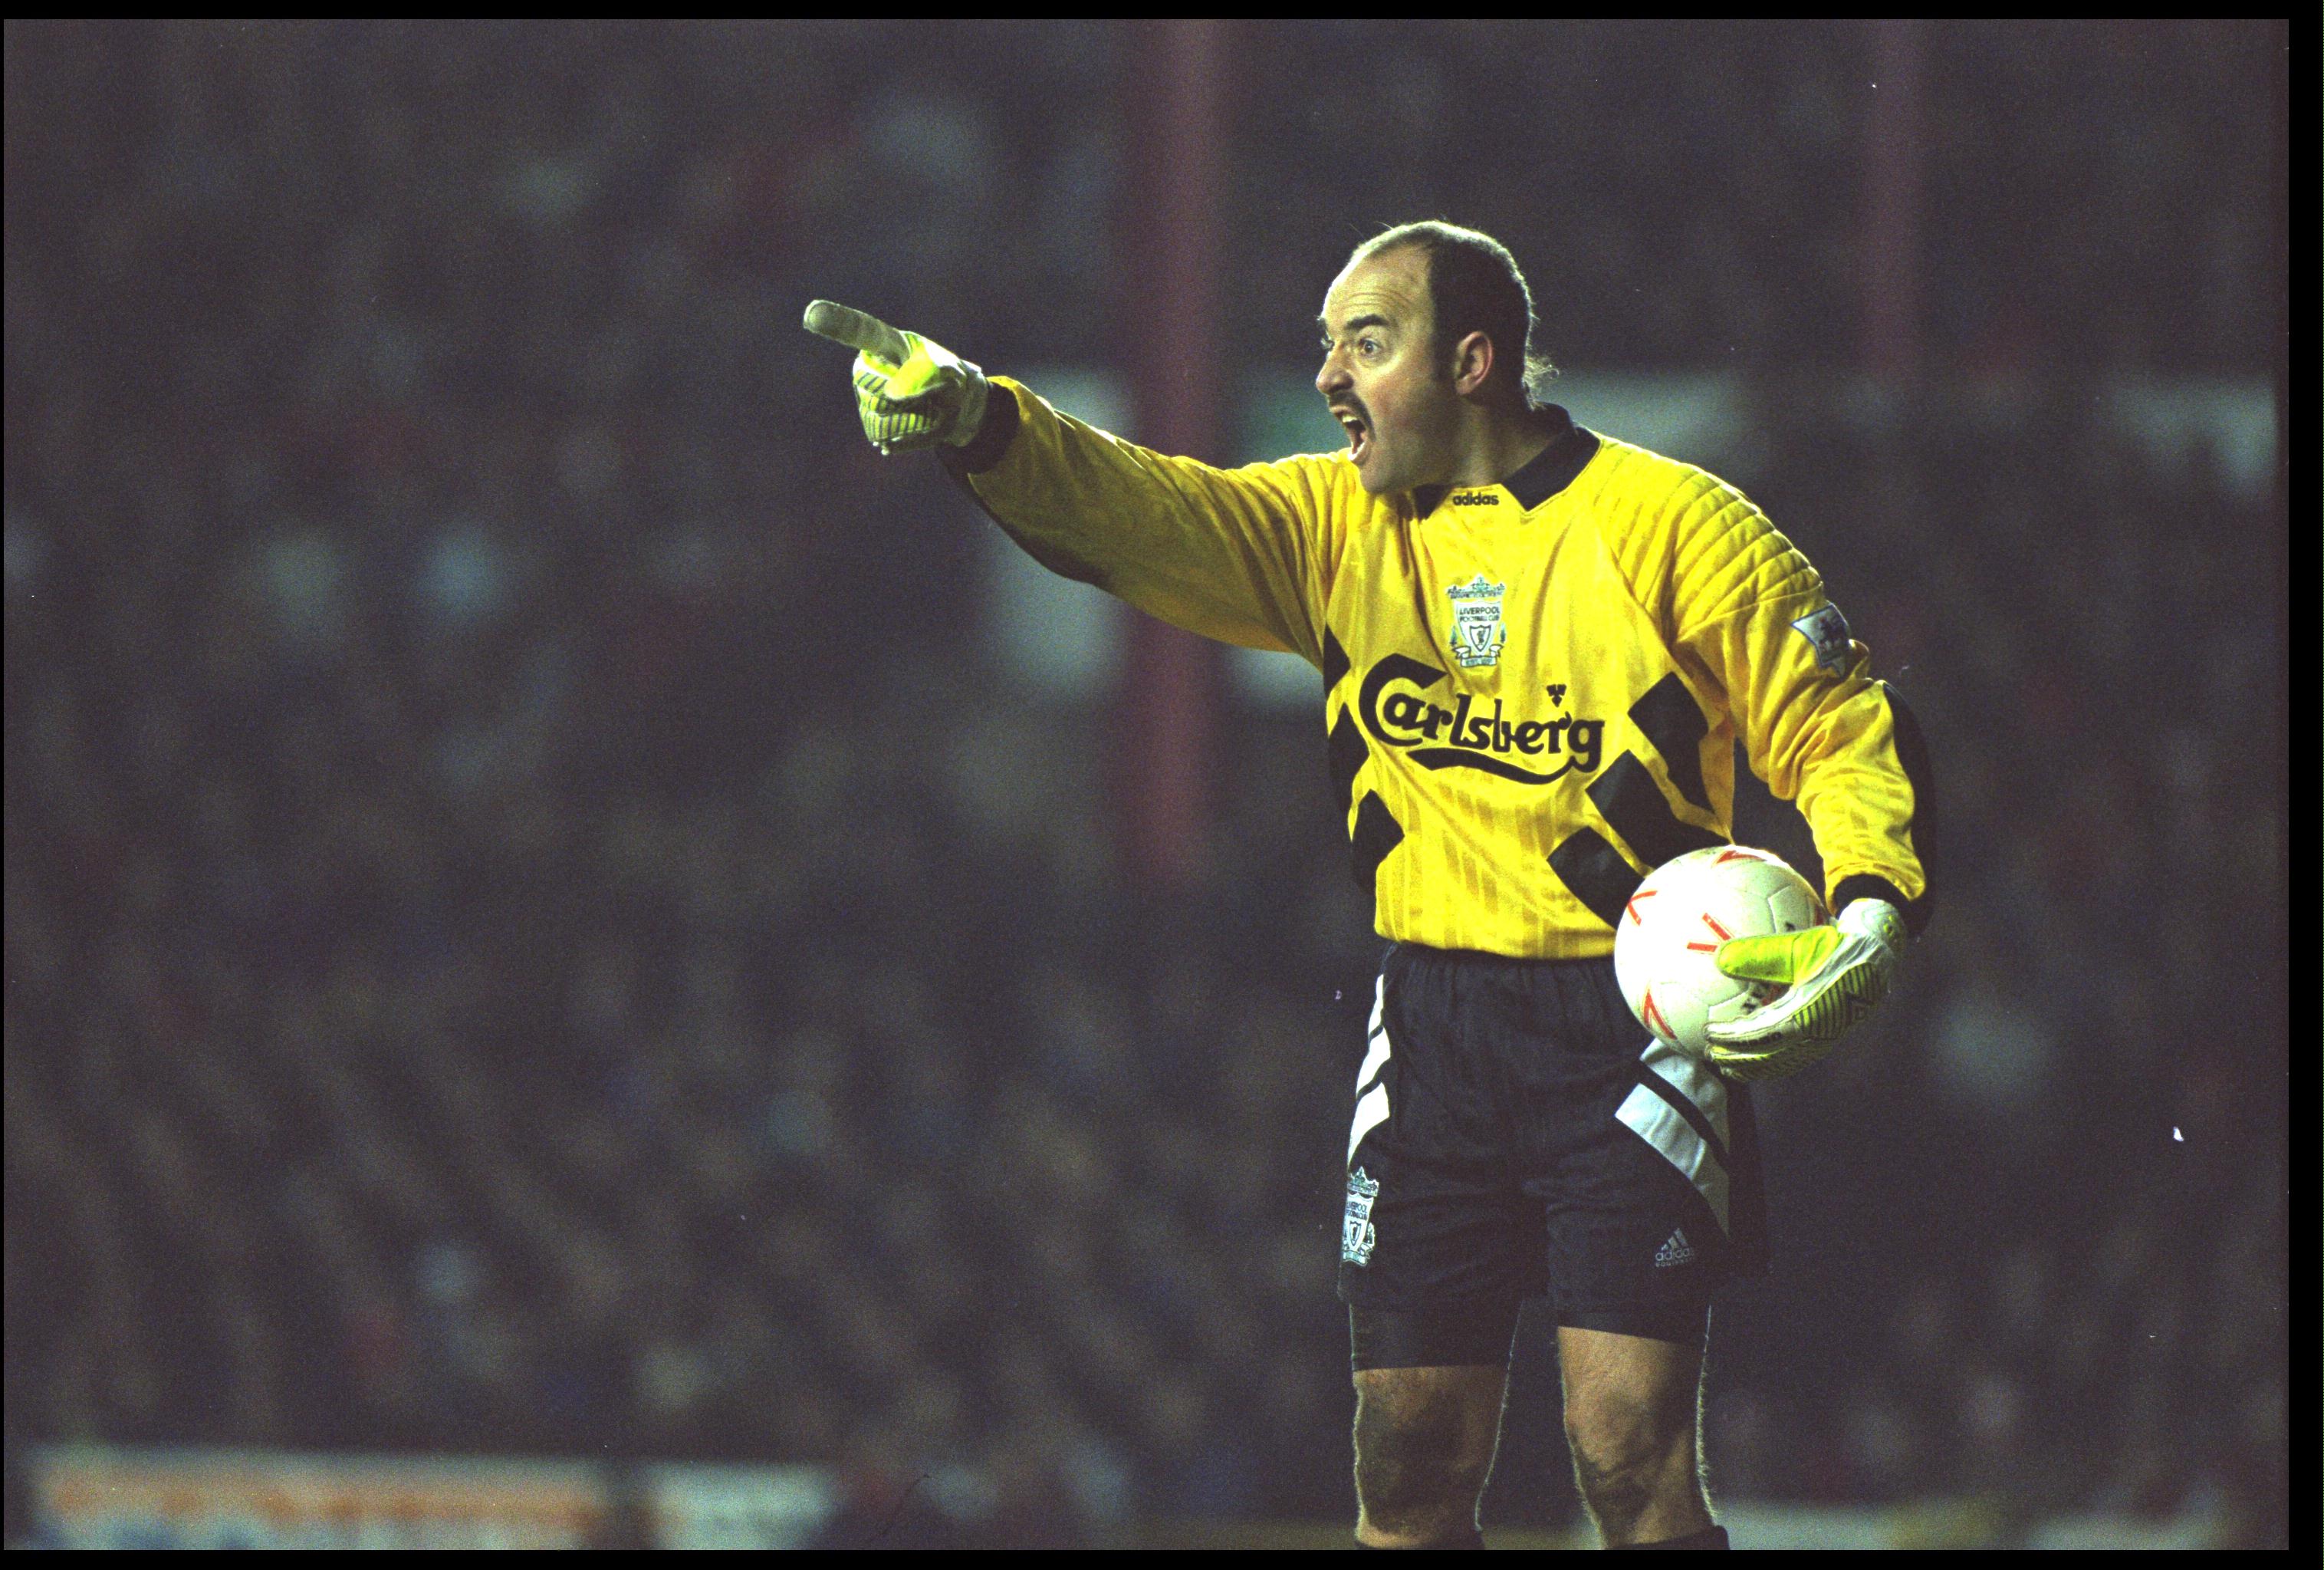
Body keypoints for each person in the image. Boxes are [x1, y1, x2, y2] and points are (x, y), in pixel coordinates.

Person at [805, 220, 1933, 1550]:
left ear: (1475, 359)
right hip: (1434, 1024)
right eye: (1326, 346)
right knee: (1407, 1464)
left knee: (1626, 1454)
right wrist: (982, 419)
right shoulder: (1326, 526)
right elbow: (1137, 509)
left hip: (1633, 1033)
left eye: (1368, 342)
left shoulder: (1671, 525)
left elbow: (1839, 719)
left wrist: (1867, 906)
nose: (1333, 376)